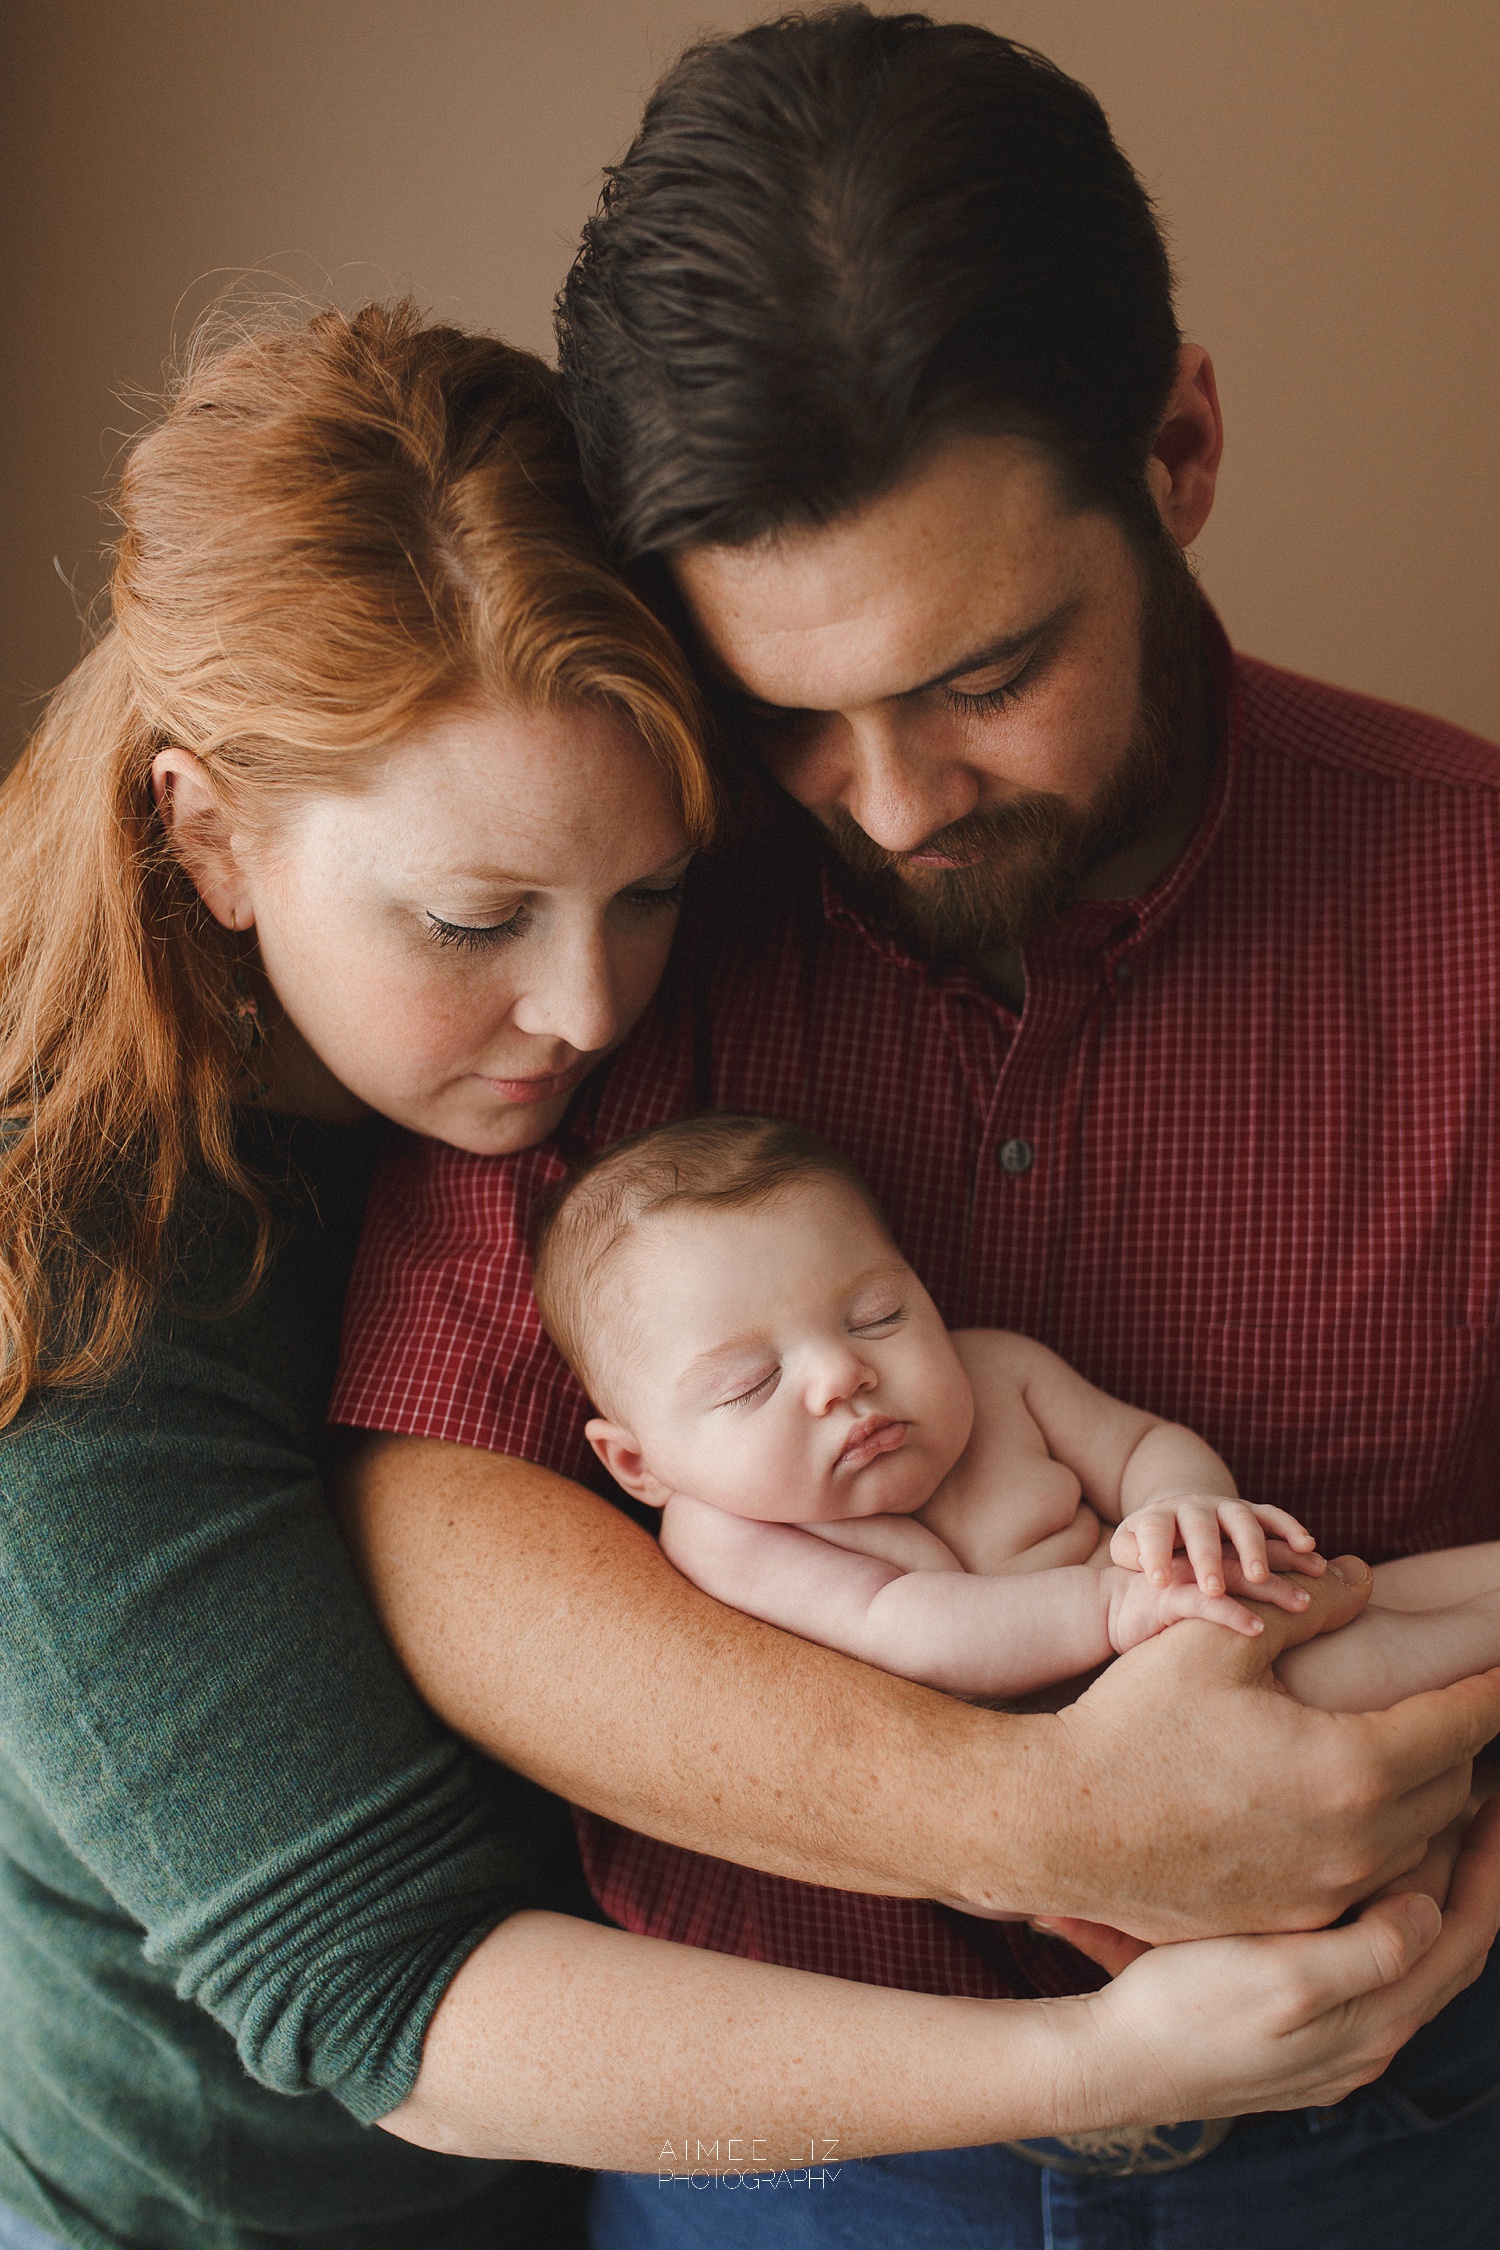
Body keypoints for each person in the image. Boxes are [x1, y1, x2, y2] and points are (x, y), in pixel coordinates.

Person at [3, 298, 1468, 2250]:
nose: (589, 1003)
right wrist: (1107, 2045)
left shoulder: (485, 1075)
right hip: (248, 2209)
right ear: (210, 835)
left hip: (609, 2172)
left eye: (651, 887)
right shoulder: (76, 1275)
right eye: (473, 918)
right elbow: (379, 2002)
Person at [326, 11, 1500, 2245]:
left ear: (1179, 449)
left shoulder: (1473, 890)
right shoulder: (624, 897)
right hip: (788, 2152)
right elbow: (442, 1519)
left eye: (981, 680)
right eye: (791, 710)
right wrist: (1050, 1819)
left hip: (1399, 2126)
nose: (887, 803)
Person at [533, 1109, 1500, 1716]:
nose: (842, 1376)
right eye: (748, 1384)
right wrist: (1118, 1605)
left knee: (1400, 1582)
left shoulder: (994, 1374)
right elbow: (913, 1627)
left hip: (1198, 1602)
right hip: (1125, 1720)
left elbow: (1143, 1444)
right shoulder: (726, 1533)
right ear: (637, 1465)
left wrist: (1185, 1504)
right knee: (1353, 1666)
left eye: (878, 1316)